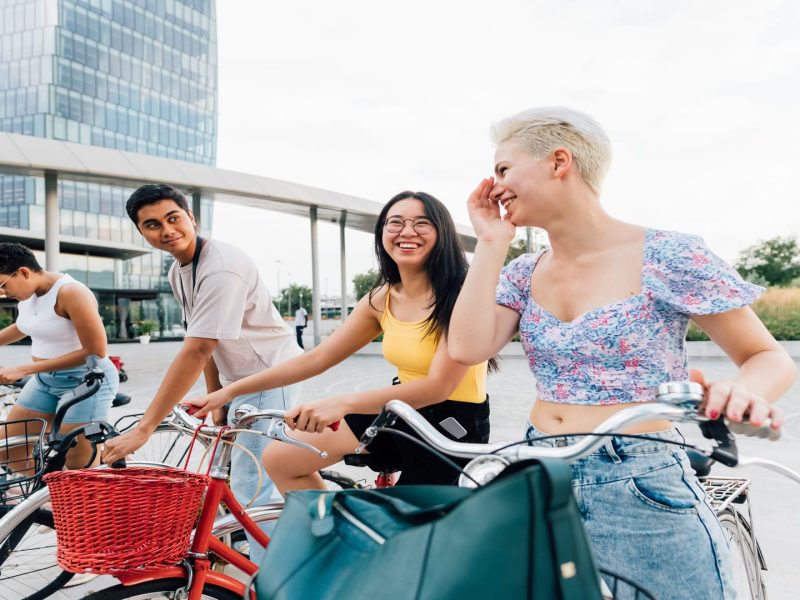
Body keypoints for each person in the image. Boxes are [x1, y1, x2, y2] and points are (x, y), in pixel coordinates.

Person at [447, 107, 797, 599]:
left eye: (504, 168)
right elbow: (466, 347)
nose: (493, 183)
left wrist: (739, 396)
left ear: (559, 161)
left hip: (641, 476)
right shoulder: (525, 271)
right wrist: (490, 243)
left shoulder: (667, 254)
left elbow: (768, 356)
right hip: (541, 473)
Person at [187, 191, 491, 492]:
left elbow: (439, 387)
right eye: (395, 222)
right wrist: (227, 392)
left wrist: (341, 403)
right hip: (401, 410)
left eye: (422, 223)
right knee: (281, 459)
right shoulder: (381, 298)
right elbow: (315, 359)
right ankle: (337, 536)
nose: (407, 232)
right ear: (382, 233)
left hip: (452, 423)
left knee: (410, 528)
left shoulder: (462, 294)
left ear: (442, 233)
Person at [102, 184, 302, 564]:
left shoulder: (222, 266)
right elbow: (202, 338)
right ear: (142, 232)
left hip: (268, 375)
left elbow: (197, 349)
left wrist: (145, 428)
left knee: (251, 483)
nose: (167, 230)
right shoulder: (180, 270)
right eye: (152, 224)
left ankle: (275, 576)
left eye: (173, 218)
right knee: (232, 473)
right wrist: (216, 398)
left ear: (191, 217)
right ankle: (250, 547)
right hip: (239, 381)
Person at [0, 242, 119, 469]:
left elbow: (96, 350)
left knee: (79, 464)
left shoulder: (70, 292)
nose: (3, 294)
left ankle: (87, 497)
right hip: (46, 380)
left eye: (2, 285)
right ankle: (51, 496)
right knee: (8, 449)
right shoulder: (27, 296)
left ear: (24, 272)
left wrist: (24, 369)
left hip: (85, 381)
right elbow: (23, 326)